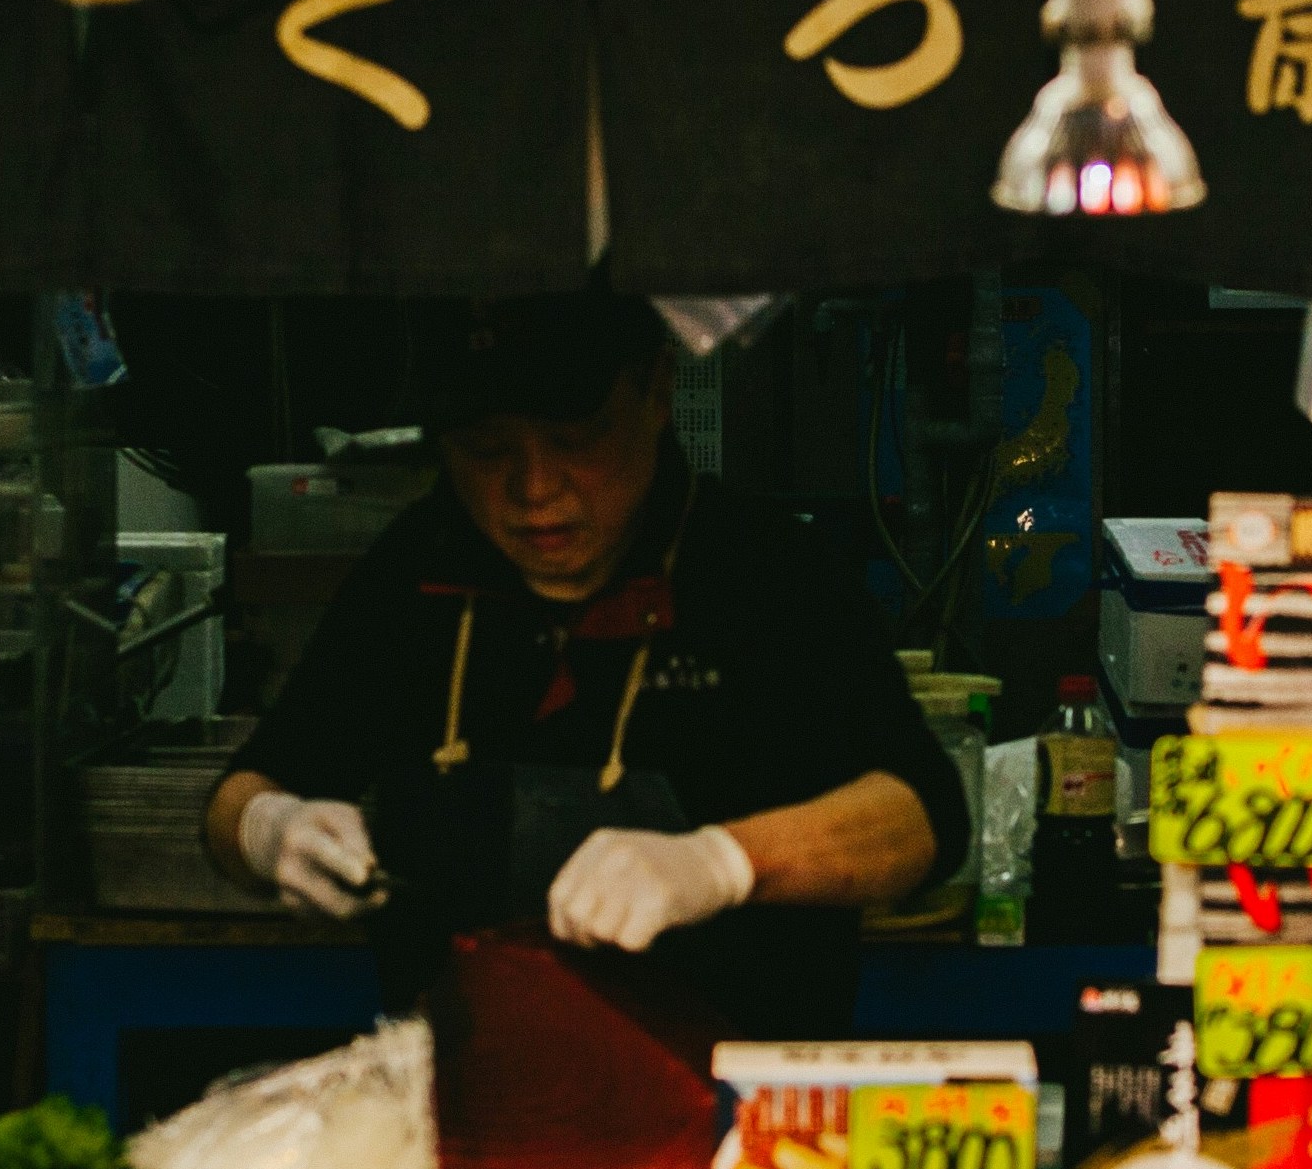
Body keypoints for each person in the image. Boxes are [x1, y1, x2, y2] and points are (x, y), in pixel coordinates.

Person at [205, 294, 964, 1035]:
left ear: (656, 392)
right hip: (461, 1116)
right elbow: (245, 789)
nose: (533, 489)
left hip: (742, 1125)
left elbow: (921, 816)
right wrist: (269, 830)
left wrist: (722, 862)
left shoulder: (765, 573)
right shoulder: (415, 571)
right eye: (486, 449)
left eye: (575, 439)